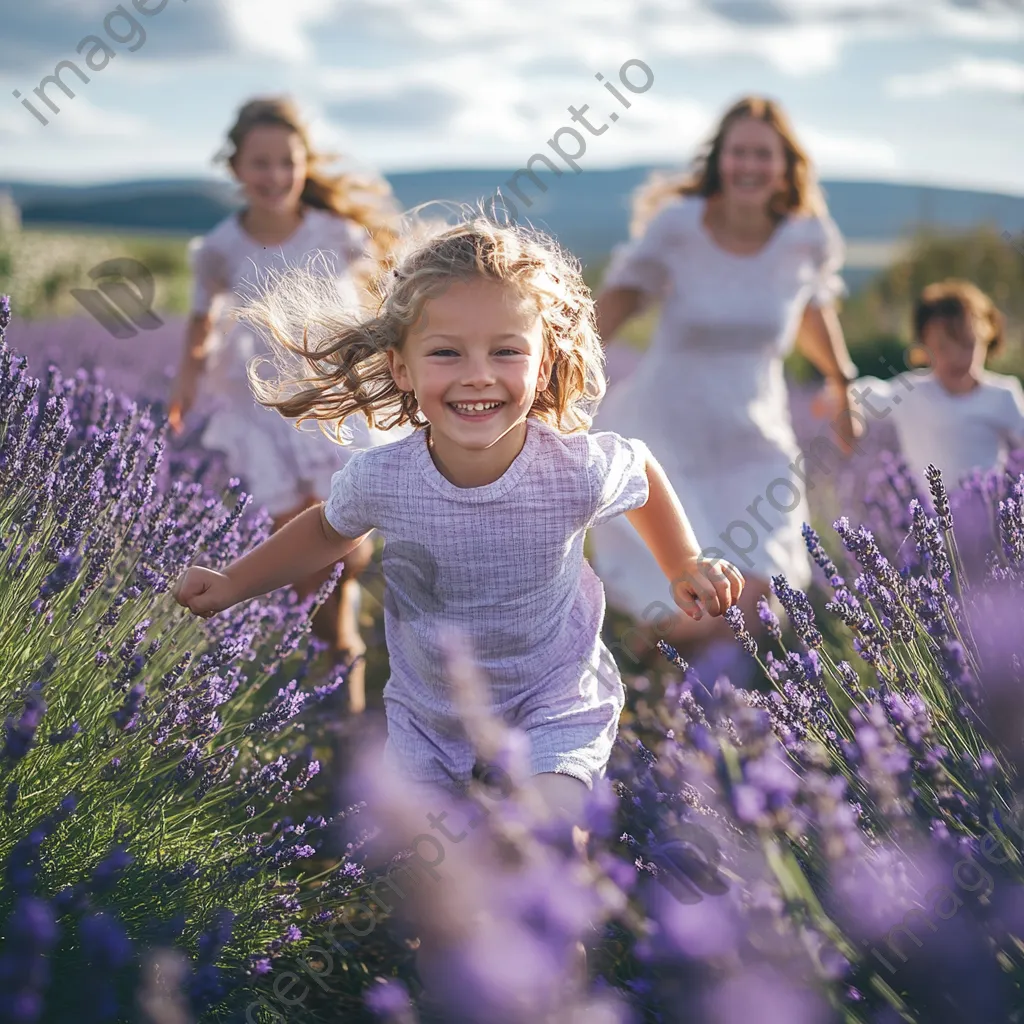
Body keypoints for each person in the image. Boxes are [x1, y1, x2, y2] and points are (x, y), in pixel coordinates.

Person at [172, 217, 744, 822]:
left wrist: (682, 563)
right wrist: (234, 583)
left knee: (548, 837)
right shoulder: (383, 477)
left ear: (544, 364)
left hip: (550, 699)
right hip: (432, 714)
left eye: (506, 351)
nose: (477, 374)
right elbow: (324, 531)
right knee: (442, 879)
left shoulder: (572, 469)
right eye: (446, 352)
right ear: (402, 370)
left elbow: (641, 472)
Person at [590, 94, 860, 658]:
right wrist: (557, 373)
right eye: (739, 153)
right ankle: (662, 706)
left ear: (786, 165)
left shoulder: (805, 239)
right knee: (688, 608)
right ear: (719, 160)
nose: (750, 166)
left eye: (763, 154)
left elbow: (811, 313)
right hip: (666, 433)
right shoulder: (679, 227)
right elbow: (621, 300)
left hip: (752, 438)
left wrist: (841, 384)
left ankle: (695, 703)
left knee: (763, 605)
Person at [168, 96, 405, 714]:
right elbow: (201, 324)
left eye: (286, 163)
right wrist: (184, 387)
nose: (273, 176)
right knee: (304, 573)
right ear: (236, 167)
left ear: (305, 166)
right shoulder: (218, 247)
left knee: (345, 555)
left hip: (332, 409)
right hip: (262, 416)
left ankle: (343, 653)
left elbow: (390, 297)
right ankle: (338, 688)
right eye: (259, 163)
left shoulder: (337, 234)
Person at [850, 279, 1024, 490]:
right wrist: (840, 391)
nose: (957, 357)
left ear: (987, 339)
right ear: (923, 347)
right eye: (943, 347)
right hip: (927, 516)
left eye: (968, 345)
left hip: (986, 515)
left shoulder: (1001, 395)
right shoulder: (912, 391)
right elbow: (868, 392)